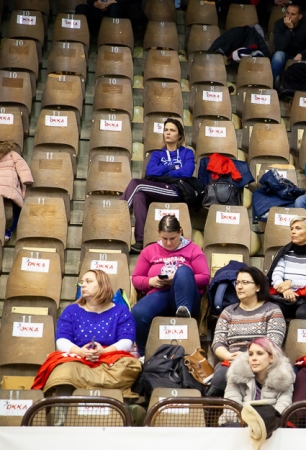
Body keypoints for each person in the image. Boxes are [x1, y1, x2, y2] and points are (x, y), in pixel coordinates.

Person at [33, 270, 140, 395]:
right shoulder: (71, 310)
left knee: (128, 367)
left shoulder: (121, 311)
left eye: (89, 281)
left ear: (102, 285)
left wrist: (104, 351)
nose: (83, 285)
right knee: (63, 372)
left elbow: (126, 341)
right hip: (78, 358)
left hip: (110, 358)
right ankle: (62, 413)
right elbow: (62, 340)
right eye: (82, 282)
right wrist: (80, 352)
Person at [131, 215, 210, 356]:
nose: (168, 243)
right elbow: (136, 278)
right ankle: (144, 354)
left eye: (172, 238)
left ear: (180, 231)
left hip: (187, 296)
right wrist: (151, 281)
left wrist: (178, 278)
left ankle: (183, 313)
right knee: (138, 312)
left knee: (184, 271)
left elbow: (204, 277)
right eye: (164, 238)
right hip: (159, 294)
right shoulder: (149, 251)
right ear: (158, 233)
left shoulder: (193, 249)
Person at [208, 267, 286, 397]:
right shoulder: (228, 312)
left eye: (245, 283)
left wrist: (246, 357)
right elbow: (218, 342)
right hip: (231, 360)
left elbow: (273, 344)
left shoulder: (272, 311)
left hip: (261, 361)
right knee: (221, 376)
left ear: (258, 287)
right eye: (237, 283)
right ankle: (212, 413)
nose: (239, 287)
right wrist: (228, 356)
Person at [121, 118, 194, 253]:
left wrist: (162, 173)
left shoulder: (186, 153)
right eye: (166, 130)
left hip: (175, 191)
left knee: (136, 183)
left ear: (179, 135)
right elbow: (150, 171)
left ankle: (118, 217)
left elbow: (187, 172)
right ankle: (140, 241)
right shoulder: (157, 154)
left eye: (172, 130)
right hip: (157, 190)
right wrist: (172, 167)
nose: (168, 133)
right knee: (138, 196)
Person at [219, 337, 295, 425]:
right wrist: (250, 425)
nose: (253, 358)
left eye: (259, 353)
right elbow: (230, 409)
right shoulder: (237, 374)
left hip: (270, 426)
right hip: (239, 424)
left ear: (271, 358)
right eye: (250, 354)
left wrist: (263, 425)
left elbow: (282, 408)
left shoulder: (284, 376)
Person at [271, 4, 306, 82]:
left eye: (293, 14)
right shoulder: (279, 24)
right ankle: (274, 86)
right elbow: (279, 47)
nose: (289, 16)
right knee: (278, 55)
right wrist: (289, 30)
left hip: (303, 55)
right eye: (287, 13)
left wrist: (301, 54)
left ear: (300, 16)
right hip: (286, 55)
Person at [0, 140, 33, 242]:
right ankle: (8, 231)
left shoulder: (12, 155)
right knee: (16, 208)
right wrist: (27, 179)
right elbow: (23, 167)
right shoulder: (12, 154)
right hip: (10, 187)